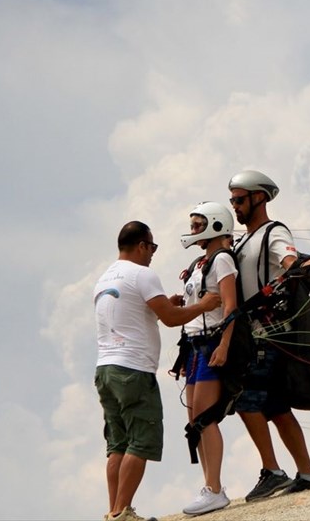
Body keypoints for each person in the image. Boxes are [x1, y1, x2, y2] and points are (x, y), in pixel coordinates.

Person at [94, 221, 221, 521]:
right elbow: (172, 318)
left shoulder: (105, 277)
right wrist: (203, 305)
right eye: (152, 246)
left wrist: (167, 305)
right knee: (140, 441)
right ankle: (123, 513)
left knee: (117, 444)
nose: (152, 253)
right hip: (133, 369)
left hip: (105, 369)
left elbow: (140, 312)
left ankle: (113, 512)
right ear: (141, 245)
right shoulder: (143, 274)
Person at [227, 169, 310, 501]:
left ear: (259, 197)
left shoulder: (273, 232)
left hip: (269, 334)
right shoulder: (241, 242)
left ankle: (273, 472)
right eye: (232, 201)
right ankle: (308, 474)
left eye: (239, 200)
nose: (234, 206)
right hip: (254, 335)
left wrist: (307, 265)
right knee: (275, 407)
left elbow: (288, 260)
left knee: (245, 399)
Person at [177, 203, 239, 515]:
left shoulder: (222, 259)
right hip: (193, 346)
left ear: (215, 225)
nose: (193, 230)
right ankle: (209, 486)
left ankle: (214, 489)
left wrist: (224, 345)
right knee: (195, 421)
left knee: (204, 416)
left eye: (198, 224)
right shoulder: (199, 264)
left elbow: (230, 306)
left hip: (211, 341)